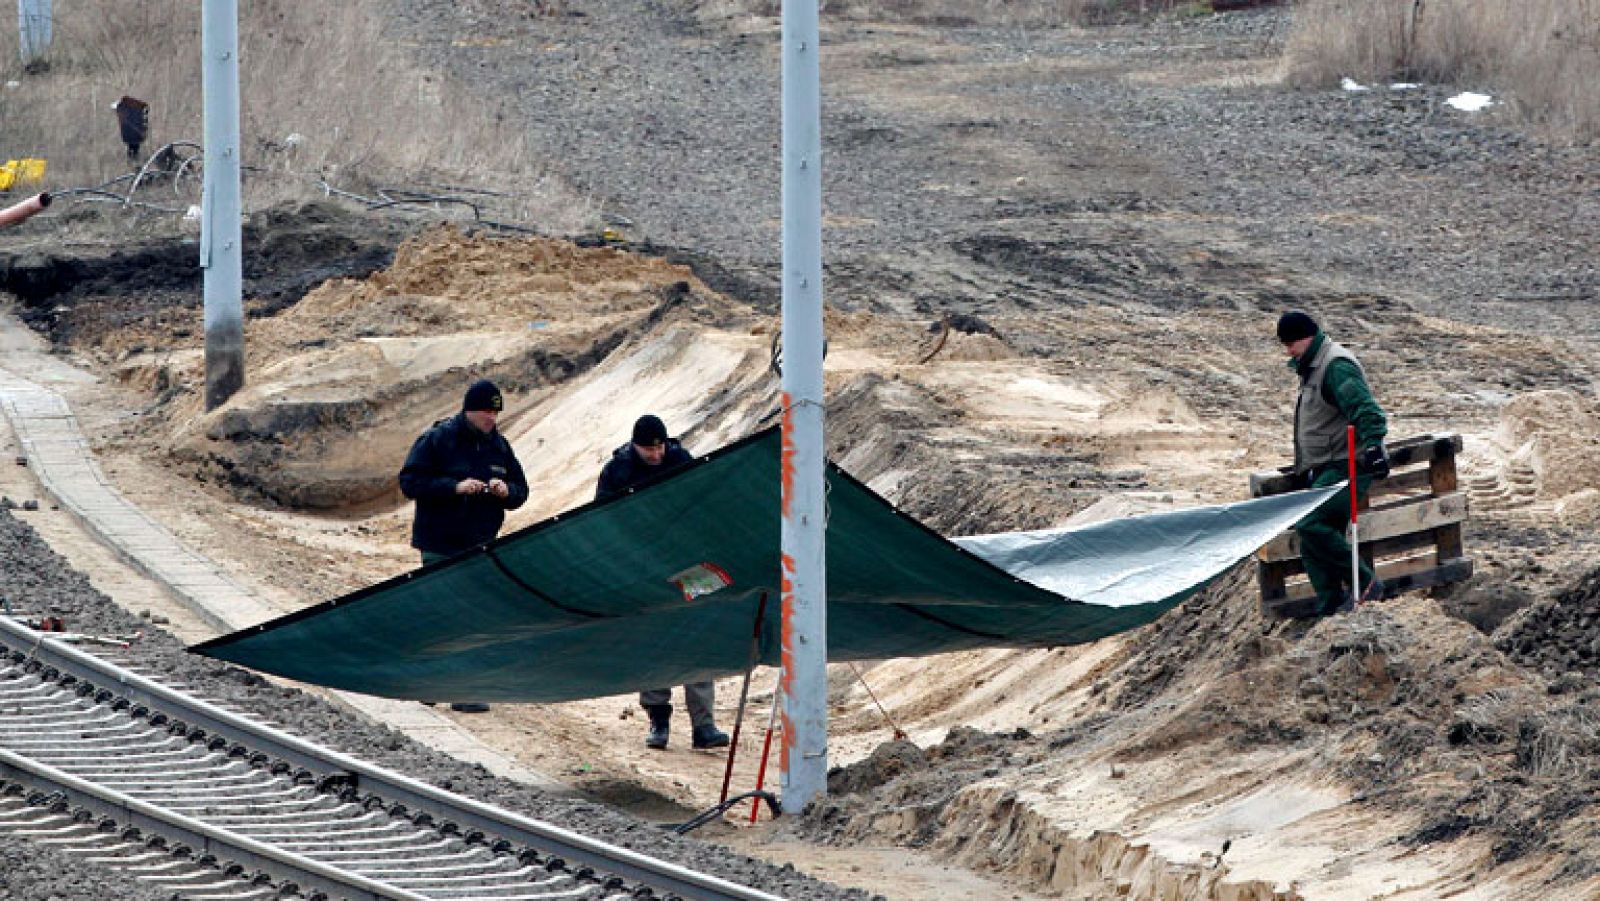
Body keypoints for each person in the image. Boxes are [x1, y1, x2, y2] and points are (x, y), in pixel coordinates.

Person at [596, 415, 730, 750]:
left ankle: (704, 725)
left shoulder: (681, 461)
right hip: (644, 565)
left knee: (698, 638)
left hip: (688, 563)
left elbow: (707, 507)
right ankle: (659, 721)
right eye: (648, 448)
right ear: (635, 445)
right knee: (654, 640)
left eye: (660, 446)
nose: (656, 454)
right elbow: (602, 520)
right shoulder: (618, 471)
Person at [398, 379, 529, 712]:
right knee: (439, 611)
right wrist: (454, 487)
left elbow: (521, 491)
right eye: (486, 410)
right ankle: (428, 681)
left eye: (496, 412)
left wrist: (505, 491)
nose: (491, 418)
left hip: (480, 543)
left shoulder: (499, 446)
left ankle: (463, 689)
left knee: (471, 615)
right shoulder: (438, 439)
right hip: (440, 540)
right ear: (469, 409)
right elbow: (410, 481)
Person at [1278, 311, 1391, 616]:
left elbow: (1367, 411)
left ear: (1308, 336)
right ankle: (1330, 604)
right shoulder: (1312, 365)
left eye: (1291, 343)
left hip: (1348, 465)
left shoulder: (1335, 366)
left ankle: (1366, 583)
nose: (1288, 350)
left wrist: (1375, 446)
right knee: (1312, 536)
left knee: (1309, 523)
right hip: (1326, 465)